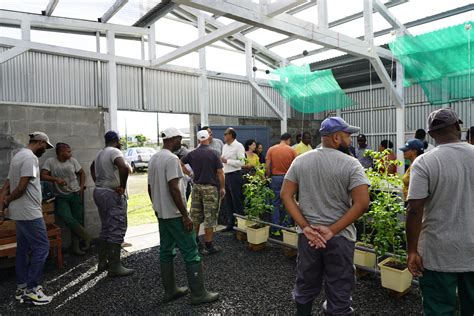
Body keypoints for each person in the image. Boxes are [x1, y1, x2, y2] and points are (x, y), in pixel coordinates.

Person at [281, 117, 370, 315]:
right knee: (339, 290)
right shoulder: (352, 164)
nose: (350, 141)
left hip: (309, 238)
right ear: (336, 138)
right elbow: (363, 203)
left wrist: (305, 227)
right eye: (347, 136)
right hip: (340, 238)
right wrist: (331, 230)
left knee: (305, 285)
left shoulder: (301, 160)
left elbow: (285, 195)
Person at [406, 108, 474, 315]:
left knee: (438, 310)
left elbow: (415, 210)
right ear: (457, 127)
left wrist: (411, 250)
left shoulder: (425, 162)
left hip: (437, 253)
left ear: (431, 134)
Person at [148, 127, 219, 305]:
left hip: (162, 214)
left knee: (166, 251)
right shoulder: (172, 159)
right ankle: (198, 294)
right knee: (191, 251)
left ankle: (170, 290)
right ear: (173, 139)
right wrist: (185, 215)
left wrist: (156, 206)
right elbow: (174, 187)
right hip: (174, 214)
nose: (181, 142)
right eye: (179, 139)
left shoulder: (154, 158)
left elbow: (150, 187)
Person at [0, 132, 55, 305]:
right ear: (39, 142)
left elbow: (7, 183)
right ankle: (32, 290)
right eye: (45, 147)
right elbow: (22, 186)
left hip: (19, 213)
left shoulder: (17, 156)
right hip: (29, 213)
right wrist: (6, 200)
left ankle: (21, 287)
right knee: (42, 247)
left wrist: (2, 204)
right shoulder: (31, 158)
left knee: (23, 249)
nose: (45, 150)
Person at [90, 131, 134, 277]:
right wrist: (122, 185)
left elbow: (92, 167)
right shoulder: (114, 151)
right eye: (120, 140)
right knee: (117, 227)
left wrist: (98, 181)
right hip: (110, 193)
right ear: (116, 140)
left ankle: (102, 262)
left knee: (106, 227)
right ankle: (115, 266)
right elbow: (123, 167)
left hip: (99, 191)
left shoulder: (100, 153)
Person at [41, 143, 92, 256]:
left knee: (77, 219)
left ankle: (76, 247)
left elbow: (82, 173)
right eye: (68, 151)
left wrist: (81, 187)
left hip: (74, 194)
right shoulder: (50, 161)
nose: (70, 153)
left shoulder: (73, 161)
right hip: (60, 196)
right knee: (67, 218)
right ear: (60, 152)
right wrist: (55, 179)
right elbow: (42, 175)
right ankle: (87, 236)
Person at [181, 130, 225, 255]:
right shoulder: (214, 153)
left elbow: (180, 162)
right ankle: (208, 245)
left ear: (199, 139)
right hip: (210, 188)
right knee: (209, 217)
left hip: (196, 187)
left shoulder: (193, 153)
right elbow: (220, 173)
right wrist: (222, 187)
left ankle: (194, 243)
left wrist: (190, 174)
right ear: (208, 138)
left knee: (195, 217)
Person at [265, 133, 297, 235]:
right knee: (289, 201)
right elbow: (295, 166)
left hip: (275, 178)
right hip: (288, 178)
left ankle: (276, 228)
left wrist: (269, 176)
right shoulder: (292, 150)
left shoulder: (271, 149)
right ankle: (286, 226)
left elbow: (267, 166)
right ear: (288, 139)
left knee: (275, 203)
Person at [220, 128, 245, 232]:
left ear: (231, 135)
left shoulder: (239, 146)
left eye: (226, 134)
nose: (224, 136)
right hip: (226, 175)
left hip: (235, 175)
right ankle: (230, 224)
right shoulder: (225, 146)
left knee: (237, 201)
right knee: (228, 201)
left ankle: (240, 225)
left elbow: (242, 162)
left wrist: (227, 161)